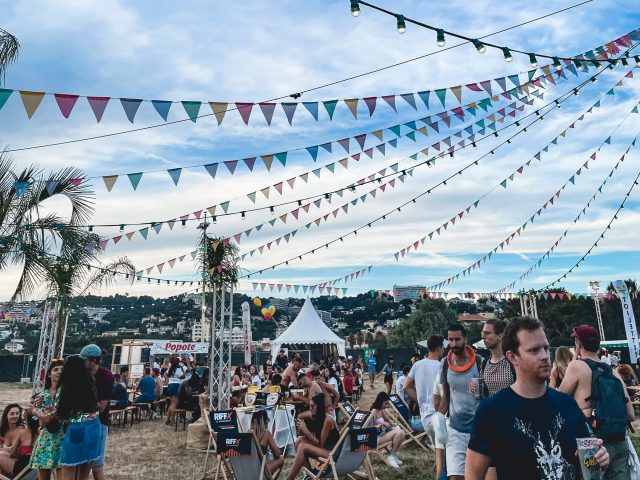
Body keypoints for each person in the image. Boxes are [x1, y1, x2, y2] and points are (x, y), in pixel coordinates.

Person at [466, 316, 610, 479]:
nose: (544, 356)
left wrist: (599, 458)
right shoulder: (492, 410)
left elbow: (588, 461)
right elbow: (474, 474)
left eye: (545, 348)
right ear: (512, 356)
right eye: (534, 350)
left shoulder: (566, 403)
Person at [559, 325, 634, 479]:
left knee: (592, 476)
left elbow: (557, 399)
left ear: (578, 343)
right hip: (620, 439)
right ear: (598, 345)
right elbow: (631, 415)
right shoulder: (613, 372)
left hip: (591, 442)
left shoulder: (577, 366)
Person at [438, 324, 482, 480]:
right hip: (455, 429)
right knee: (455, 477)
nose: (454, 344)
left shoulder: (479, 362)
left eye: (457, 339)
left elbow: (487, 396)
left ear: (465, 339)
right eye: (450, 340)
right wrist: (438, 419)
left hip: (478, 429)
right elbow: (446, 395)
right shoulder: (445, 363)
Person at [54, 355, 102, 480]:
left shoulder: (64, 388)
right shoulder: (90, 385)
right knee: (85, 469)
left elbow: (59, 412)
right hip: (94, 427)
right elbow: (97, 406)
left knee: (68, 469)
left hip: (76, 430)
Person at [404, 334, 444, 473]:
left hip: (425, 416)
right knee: (444, 454)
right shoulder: (441, 367)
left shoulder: (417, 365)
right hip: (440, 415)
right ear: (439, 348)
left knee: (440, 452)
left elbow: (406, 386)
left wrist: (420, 400)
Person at [286, 393, 339, 480]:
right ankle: (309, 476)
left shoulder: (327, 420)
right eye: (309, 406)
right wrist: (302, 430)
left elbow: (320, 444)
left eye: (313, 406)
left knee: (302, 447)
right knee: (299, 440)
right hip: (325, 450)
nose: (310, 409)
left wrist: (306, 431)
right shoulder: (317, 416)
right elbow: (314, 440)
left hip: (333, 453)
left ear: (319, 407)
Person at [80, 343, 112, 480]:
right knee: (80, 466)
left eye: (84, 360)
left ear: (92, 361)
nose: (82, 363)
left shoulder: (106, 376)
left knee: (97, 467)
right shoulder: (80, 374)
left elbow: (101, 407)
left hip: (99, 424)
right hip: (79, 424)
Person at [29, 358, 64, 480]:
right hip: (46, 439)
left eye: (62, 369)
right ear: (49, 374)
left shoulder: (66, 392)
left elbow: (48, 417)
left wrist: (33, 411)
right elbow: (36, 420)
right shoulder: (42, 395)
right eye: (55, 369)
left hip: (63, 438)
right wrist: (35, 412)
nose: (59, 371)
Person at [478, 319, 515, 397]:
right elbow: (485, 394)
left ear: (500, 336)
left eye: (487, 333)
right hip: (492, 408)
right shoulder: (484, 363)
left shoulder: (513, 361)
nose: (483, 337)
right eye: (483, 333)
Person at [371, 392, 405, 469]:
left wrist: (392, 424)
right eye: (385, 403)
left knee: (402, 432)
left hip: (382, 433)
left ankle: (393, 455)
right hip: (376, 437)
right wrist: (382, 425)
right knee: (399, 433)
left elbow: (388, 420)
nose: (386, 406)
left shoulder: (381, 410)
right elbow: (370, 428)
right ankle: (391, 456)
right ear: (381, 401)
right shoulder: (374, 411)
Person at [250, 410, 283, 476]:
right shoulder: (266, 434)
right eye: (267, 420)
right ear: (264, 421)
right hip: (260, 473)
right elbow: (277, 454)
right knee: (281, 458)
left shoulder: (247, 434)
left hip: (247, 471)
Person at [0, 404, 27, 476]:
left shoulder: (22, 429)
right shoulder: (2, 428)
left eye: (17, 413)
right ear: (6, 415)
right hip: (6, 459)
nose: (15, 416)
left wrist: (3, 449)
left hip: (18, 462)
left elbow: (20, 452)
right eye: (12, 414)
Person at [165, 357, 187, 425]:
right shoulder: (178, 369)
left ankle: (168, 420)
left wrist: (167, 379)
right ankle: (172, 421)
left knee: (171, 404)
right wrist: (183, 370)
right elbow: (183, 377)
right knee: (174, 404)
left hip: (170, 385)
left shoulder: (170, 369)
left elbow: (165, 374)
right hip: (176, 386)